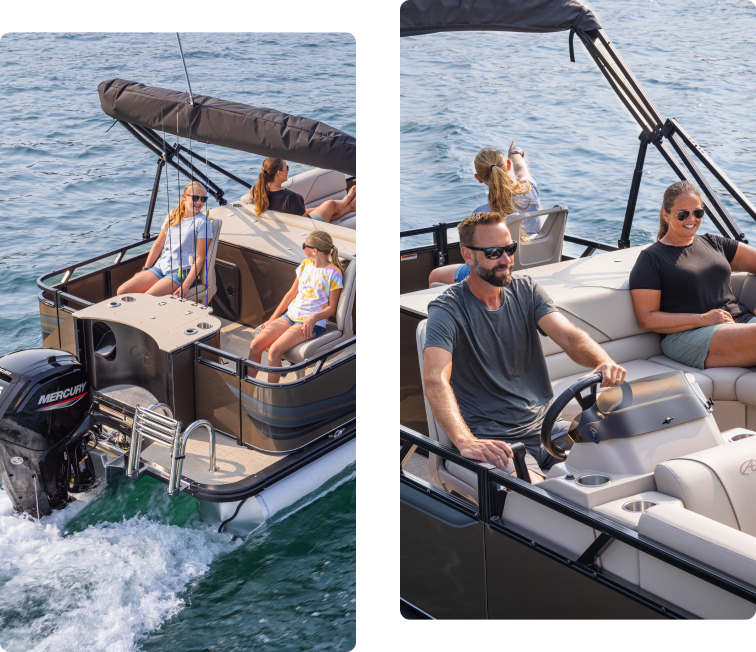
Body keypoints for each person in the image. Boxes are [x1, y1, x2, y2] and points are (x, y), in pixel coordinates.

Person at [423, 211, 626, 482]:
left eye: (510, 249)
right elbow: (435, 379)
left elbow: (568, 337)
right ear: (468, 256)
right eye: (495, 252)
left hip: (549, 428)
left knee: (624, 457)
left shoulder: (527, 290)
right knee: (539, 500)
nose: (507, 260)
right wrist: (464, 441)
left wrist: (602, 362)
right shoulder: (446, 310)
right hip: (499, 442)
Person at [630, 180, 756, 370]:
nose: (691, 219)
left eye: (697, 213)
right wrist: (702, 319)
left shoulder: (714, 243)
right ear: (665, 215)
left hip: (742, 321)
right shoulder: (651, 258)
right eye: (682, 214)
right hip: (690, 334)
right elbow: (647, 318)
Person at [428, 142, 541, 286]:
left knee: (434, 276)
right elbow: (521, 168)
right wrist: (515, 153)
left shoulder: (480, 215)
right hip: (536, 265)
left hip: (495, 274)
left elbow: (471, 261)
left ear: (479, 178)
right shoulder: (530, 190)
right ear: (507, 166)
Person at [248, 230, 344, 383]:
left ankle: (271, 396)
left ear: (315, 250)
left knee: (274, 351)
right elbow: (291, 293)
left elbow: (332, 308)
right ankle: (247, 387)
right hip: (290, 316)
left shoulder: (334, 273)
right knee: (255, 344)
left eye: (304, 245)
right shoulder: (305, 265)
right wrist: (273, 318)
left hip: (310, 323)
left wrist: (314, 317)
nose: (303, 248)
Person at [117, 181, 211, 298]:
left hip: (182, 272)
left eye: (203, 199)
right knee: (122, 291)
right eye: (196, 198)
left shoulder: (203, 222)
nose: (199, 202)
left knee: (147, 298)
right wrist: (145, 269)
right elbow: (158, 244)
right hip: (162, 266)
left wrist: (186, 285)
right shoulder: (173, 214)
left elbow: (200, 258)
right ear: (184, 197)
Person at [251, 157, 356, 223]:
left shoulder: (256, 189)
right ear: (279, 173)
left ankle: (351, 207)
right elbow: (305, 222)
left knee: (319, 208)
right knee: (330, 204)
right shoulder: (289, 198)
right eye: (286, 167)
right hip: (306, 227)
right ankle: (348, 199)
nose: (288, 170)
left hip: (287, 221)